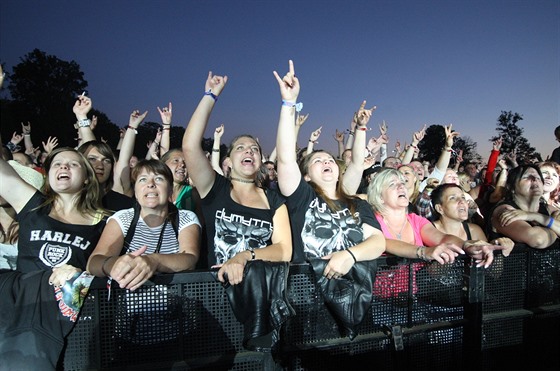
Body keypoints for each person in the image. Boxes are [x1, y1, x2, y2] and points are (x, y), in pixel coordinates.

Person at [274, 59, 386, 275]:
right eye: (317, 161)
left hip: (352, 295)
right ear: (305, 176)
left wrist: (348, 256)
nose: (326, 161)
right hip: (307, 293)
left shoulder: (355, 203)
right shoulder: (302, 198)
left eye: (329, 159)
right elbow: (286, 157)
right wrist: (289, 103)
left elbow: (378, 241)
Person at [0, 146, 107, 369]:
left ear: (87, 178)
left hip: (71, 322)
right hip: (24, 312)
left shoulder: (104, 221)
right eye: (57, 164)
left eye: (73, 164)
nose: (64, 166)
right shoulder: (32, 203)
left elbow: (105, 268)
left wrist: (80, 275)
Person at [182, 70, 292, 284]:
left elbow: (284, 250)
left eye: (254, 149)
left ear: (260, 159)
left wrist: (244, 256)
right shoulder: (214, 188)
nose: (249, 151)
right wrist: (210, 96)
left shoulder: (274, 200)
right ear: (229, 161)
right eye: (240, 148)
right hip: (216, 294)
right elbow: (189, 146)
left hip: (259, 292)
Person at [86, 159, 200, 290]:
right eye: (143, 179)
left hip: (176, 304)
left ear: (170, 190)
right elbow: (93, 263)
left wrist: (154, 261)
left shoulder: (186, 218)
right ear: (135, 192)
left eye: (159, 179)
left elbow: (190, 259)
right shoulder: (123, 218)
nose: (150, 184)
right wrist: (113, 264)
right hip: (127, 306)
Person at [367, 168, 498, 268]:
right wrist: (424, 251)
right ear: (380, 197)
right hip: (378, 300)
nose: (401, 186)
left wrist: (466, 245)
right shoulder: (371, 220)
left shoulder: (416, 220)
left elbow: (441, 238)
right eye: (392, 184)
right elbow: (384, 242)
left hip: (412, 295)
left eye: (402, 183)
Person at [430, 183, 514, 256]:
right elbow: (430, 273)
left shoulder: (474, 230)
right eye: (453, 198)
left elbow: (494, 273)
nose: (461, 201)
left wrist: (496, 249)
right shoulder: (429, 230)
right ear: (439, 208)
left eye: (463, 197)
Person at [489, 164, 559, 249]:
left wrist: (533, 216)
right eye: (526, 177)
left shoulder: (549, 210)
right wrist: (555, 228)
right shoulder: (504, 210)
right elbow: (537, 239)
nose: (534, 179)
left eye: (538, 178)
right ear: (511, 187)